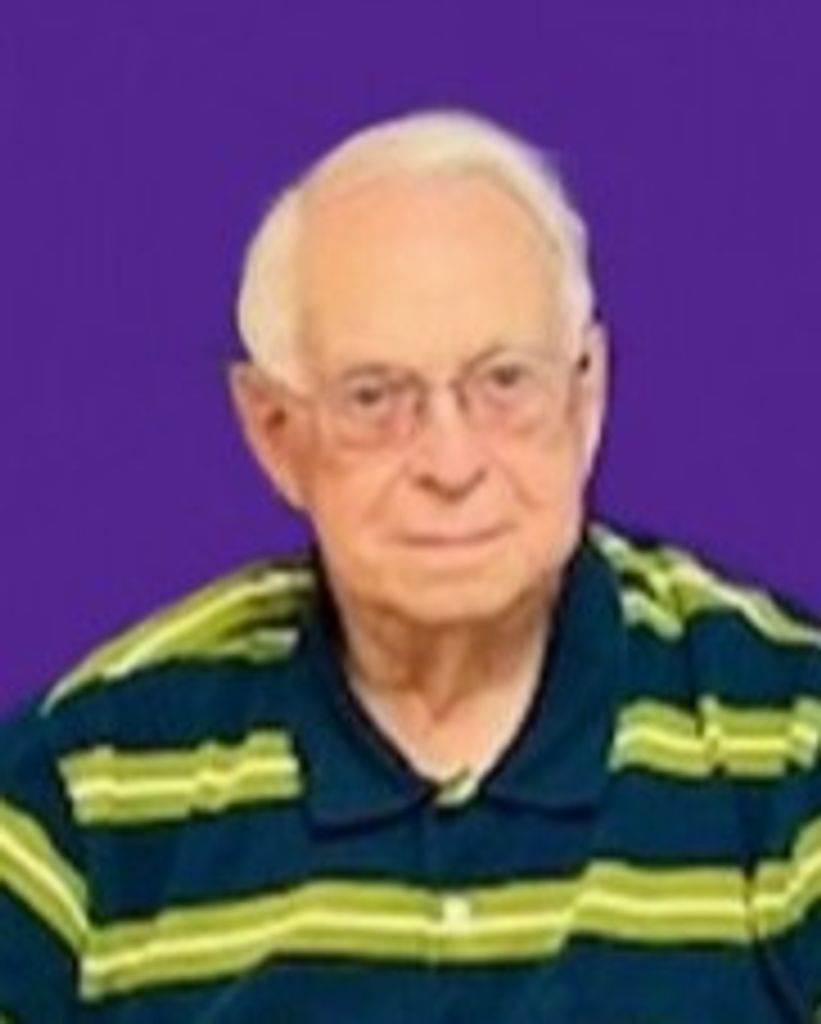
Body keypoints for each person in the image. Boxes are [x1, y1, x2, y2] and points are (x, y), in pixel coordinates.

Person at [1, 109, 820, 1023]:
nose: (450, 463)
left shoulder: (788, 735)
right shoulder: (89, 779)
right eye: (374, 398)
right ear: (275, 433)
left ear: (585, 395)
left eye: (504, 381)